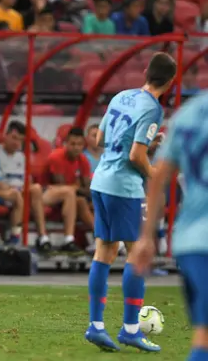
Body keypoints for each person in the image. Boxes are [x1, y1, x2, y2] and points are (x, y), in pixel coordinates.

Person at [85, 52, 176, 352]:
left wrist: (149, 144)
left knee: (104, 252)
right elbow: (136, 156)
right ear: (171, 81)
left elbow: (100, 138)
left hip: (100, 180)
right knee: (137, 256)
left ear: (147, 72)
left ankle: (96, 326)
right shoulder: (153, 109)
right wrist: (154, 178)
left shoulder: (122, 96)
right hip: (123, 188)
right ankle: (131, 329)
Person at [131, 88, 208, 361]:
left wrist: (146, 237)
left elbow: (159, 177)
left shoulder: (187, 114)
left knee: (203, 335)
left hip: (189, 241)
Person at [0, 121, 52, 252]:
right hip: (3, 193)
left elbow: (28, 181)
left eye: (20, 140)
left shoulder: (21, 156)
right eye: (14, 138)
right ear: (6, 135)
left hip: (21, 193)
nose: (16, 143)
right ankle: (14, 237)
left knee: (36, 189)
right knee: (20, 194)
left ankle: (42, 236)